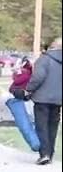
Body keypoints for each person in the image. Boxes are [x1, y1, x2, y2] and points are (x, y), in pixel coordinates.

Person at [26, 37, 62, 165]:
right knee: (53, 127)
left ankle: (44, 154)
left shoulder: (45, 59)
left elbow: (38, 77)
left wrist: (29, 89)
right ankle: (50, 154)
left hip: (42, 98)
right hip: (58, 99)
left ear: (52, 46)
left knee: (42, 127)